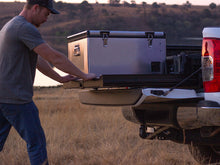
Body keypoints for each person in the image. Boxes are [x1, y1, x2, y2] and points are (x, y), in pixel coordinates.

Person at [0, 0, 96, 164]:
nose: (47, 19)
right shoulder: (24, 28)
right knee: (36, 143)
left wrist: (60, 78)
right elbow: (55, 58)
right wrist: (84, 75)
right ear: (36, 8)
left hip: (3, 97)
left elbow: (38, 60)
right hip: (17, 99)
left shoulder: (11, 25)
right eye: (46, 13)